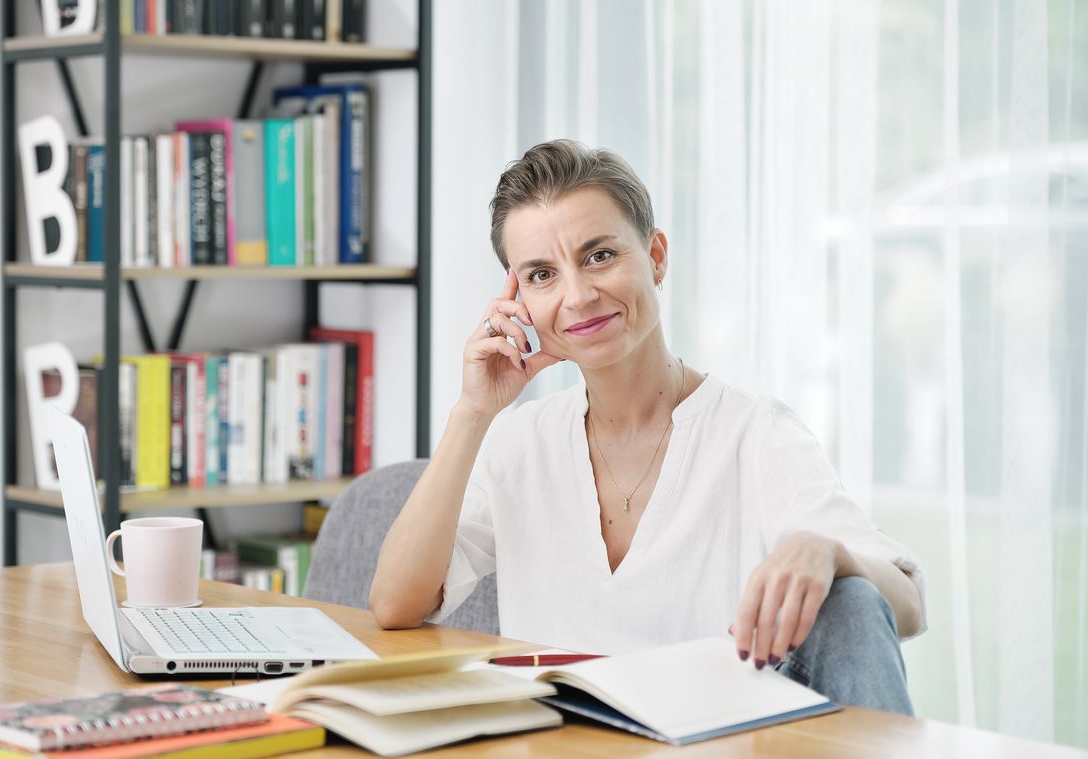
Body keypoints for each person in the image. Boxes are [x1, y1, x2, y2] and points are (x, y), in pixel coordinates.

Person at [369, 139, 926, 714]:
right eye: (541, 274)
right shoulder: (519, 441)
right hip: (559, 750)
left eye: (599, 256)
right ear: (517, 298)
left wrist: (830, 551)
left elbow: (904, 602)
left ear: (655, 255)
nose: (578, 296)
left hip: (710, 747)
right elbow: (395, 604)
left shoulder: (754, 434)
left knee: (853, 599)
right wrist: (473, 412)